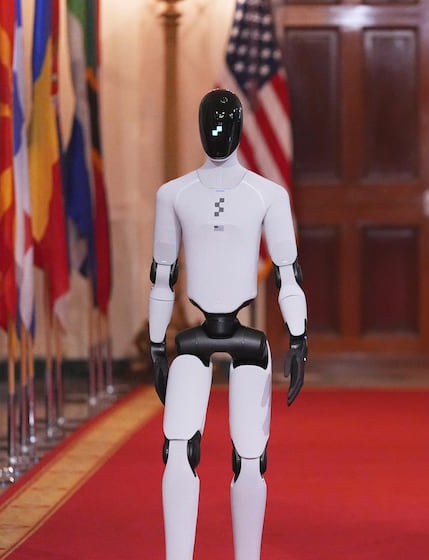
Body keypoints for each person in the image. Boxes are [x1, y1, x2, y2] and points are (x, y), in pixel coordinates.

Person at [148, 88, 308, 559]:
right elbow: (162, 273)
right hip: (194, 338)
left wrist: (298, 338)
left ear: (239, 128)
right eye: (211, 124)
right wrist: (156, 344)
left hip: (246, 341)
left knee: (251, 457)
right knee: (178, 448)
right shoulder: (173, 195)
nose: (219, 133)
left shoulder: (267, 195)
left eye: (226, 123)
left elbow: (287, 272)